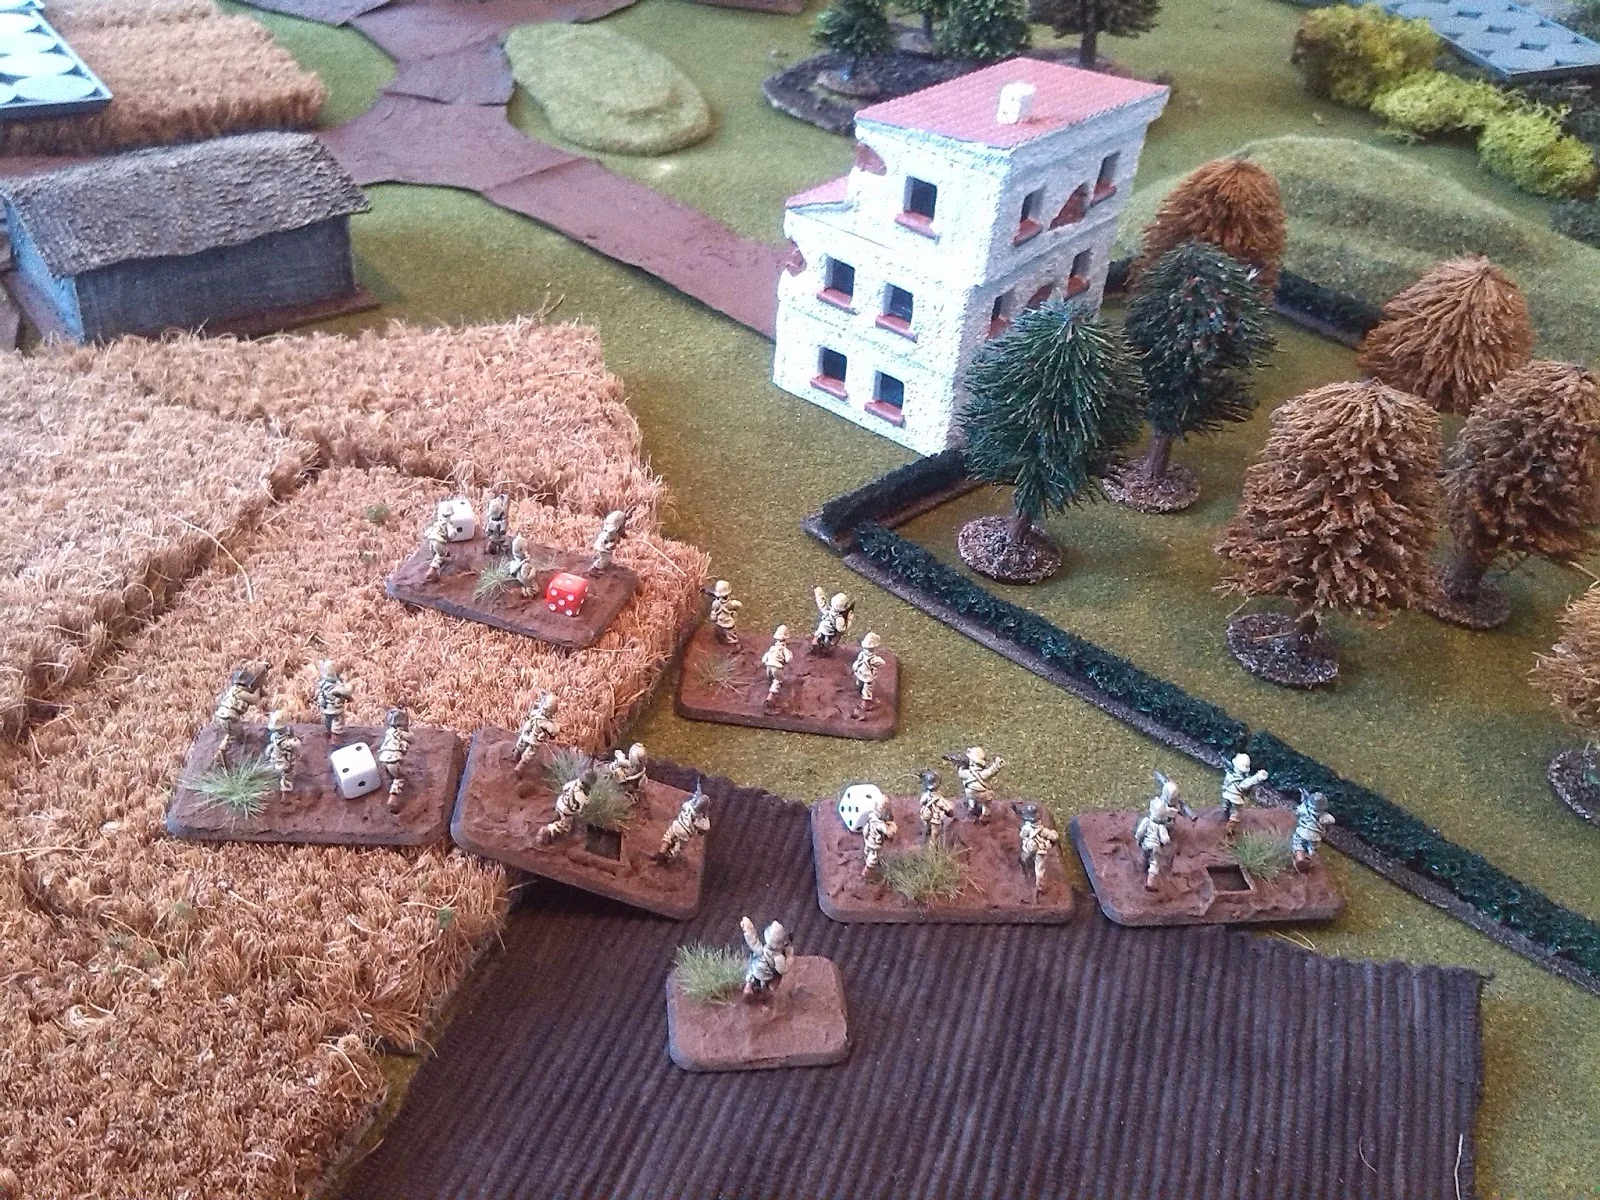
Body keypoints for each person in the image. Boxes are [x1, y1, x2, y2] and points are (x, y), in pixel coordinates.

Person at [740, 916, 794, 1001]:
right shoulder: (778, 957)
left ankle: (748, 986)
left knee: (752, 964)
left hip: (755, 968)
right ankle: (764, 994)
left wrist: (747, 929)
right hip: (766, 975)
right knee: (766, 984)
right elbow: (782, 970)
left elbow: (752, 941)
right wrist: (788, 957)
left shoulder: (761, 949)